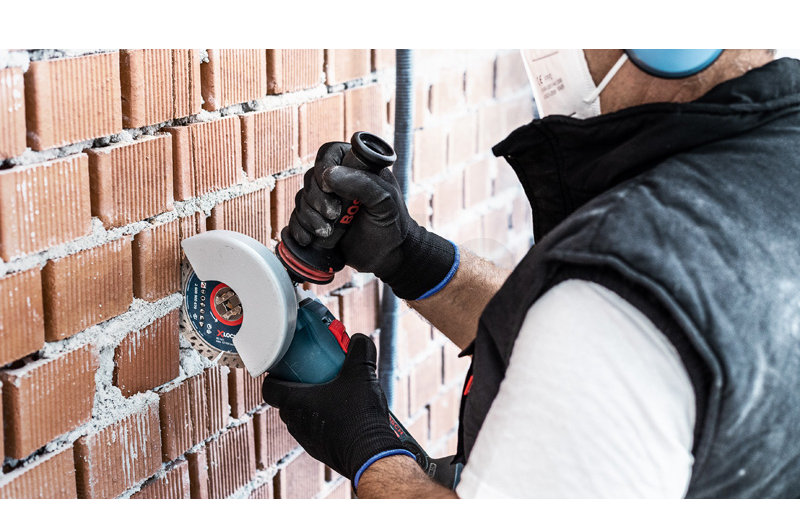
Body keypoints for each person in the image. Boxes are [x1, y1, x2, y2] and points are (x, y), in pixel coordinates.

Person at [262, 49, 800, 498]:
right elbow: (576, 335)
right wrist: (410, 257)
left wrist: (367, 449)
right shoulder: (777, 159)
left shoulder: (626, 279)